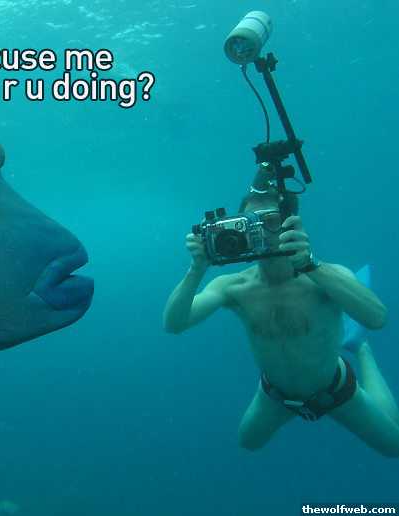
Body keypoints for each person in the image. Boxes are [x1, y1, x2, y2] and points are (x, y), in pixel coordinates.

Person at [163, 169, 399, 457]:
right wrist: (196, 269)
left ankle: (361, 349)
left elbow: (376, 318)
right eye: (250, 223)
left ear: (292, 224)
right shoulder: (233, 287)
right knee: (248, 442)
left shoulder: (324, 276)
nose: (260, 231)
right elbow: (174, 324)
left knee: (394, 446)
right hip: (274, 394)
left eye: (270, 221)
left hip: (334, 388)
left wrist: (311, 265)